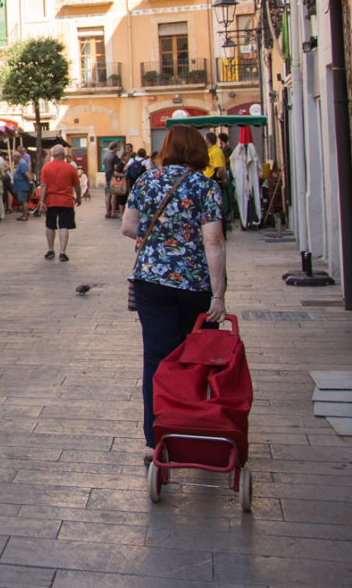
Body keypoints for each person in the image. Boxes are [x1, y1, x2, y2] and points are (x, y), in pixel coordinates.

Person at [120, 124, 226, 463]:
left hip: (152, 281)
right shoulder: (206, 186)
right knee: (196, 356)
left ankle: (156, 438)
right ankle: (195, 426)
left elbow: (127, 226)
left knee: (157, 357)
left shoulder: (146, 181)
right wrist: (219, 293)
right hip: (195, 284)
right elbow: (214, 241)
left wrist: (160, 240)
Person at [39, 144, 81, 262]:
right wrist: (78, 197)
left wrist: (41, 201)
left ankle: (51, 250)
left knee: (50, 225)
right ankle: (62, 252)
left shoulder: (46, 167)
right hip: (66, 201)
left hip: (50, 201)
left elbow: (43, 186)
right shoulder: (70, 168)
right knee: (64, 226)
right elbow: (77, 185)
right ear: (62, 154)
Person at [102, 141, 121, 218]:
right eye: (117, 147)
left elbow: (104, 166)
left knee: (107, 195)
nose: (118, 149)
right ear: (115, 148)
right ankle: (113, 212)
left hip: (107, 176)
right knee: (114, 195)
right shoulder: (114, 156)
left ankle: (107, 212)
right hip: (113, 177)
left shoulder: (105, 156)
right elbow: (116, 168)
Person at [11, 153, 31, 220]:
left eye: (13, 158)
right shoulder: (20, 164)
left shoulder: (22, 164)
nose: (12, 159)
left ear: (17, 157)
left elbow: (26, 174)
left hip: (22, 185)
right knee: (22, 201)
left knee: (23, 201)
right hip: (20, 185)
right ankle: (23, 214)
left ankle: (25, 216)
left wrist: (29, 182)